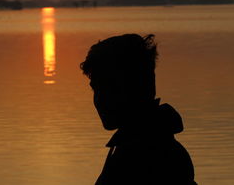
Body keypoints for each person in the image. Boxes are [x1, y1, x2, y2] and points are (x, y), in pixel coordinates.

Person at [80, 34, 197, 184]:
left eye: (108, 88)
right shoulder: (144, 145)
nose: (99, 100)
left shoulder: (142, 156)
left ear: (135, 86)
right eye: (95, 90)